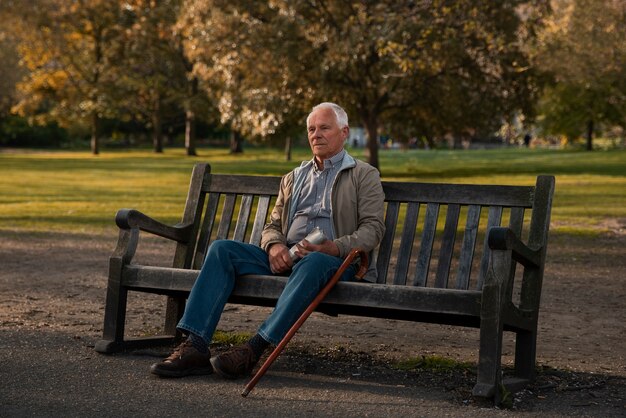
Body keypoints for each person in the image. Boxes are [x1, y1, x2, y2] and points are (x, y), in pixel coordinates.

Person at [150, 102, 386, 379]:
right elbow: (273, 224)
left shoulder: (363, 174)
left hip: (334, 261)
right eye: (312, 129)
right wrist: (274, 246)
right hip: (290, 255)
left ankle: (253, 349)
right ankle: (196, 346)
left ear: (344, 132)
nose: (316, 134)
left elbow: (373, 228)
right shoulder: (293, 178)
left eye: (325, 128)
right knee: (221, 249)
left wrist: (335, 246)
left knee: (314, 262)